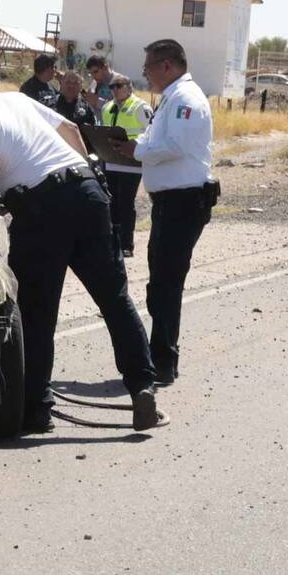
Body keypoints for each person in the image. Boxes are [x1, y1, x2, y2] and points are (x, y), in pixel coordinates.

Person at [0, 89, 165, 433]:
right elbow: (72, 132)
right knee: (114, 298)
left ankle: (36, 410)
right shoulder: (12, 99)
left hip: (42, 208)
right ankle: (142, 390)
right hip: (88, 194)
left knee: (37, 312)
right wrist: (86, 181)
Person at [112, 39, 214, 386]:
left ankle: (164, 362)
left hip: (185, 203)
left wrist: (136, 150)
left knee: (167, 284)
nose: (147, 75)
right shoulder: (172, 98)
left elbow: (176, 146)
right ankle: (160, 357)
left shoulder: (186, 99)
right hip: (171, 203)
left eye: (149, 68)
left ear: (167, 65)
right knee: (161, 283)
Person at [100, 75, 152, 257]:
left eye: (118, 86)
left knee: (126, 202)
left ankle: (126, 244)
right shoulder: (107, 108)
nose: (114, 90)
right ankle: (113, 241)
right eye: (112, 86)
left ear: (129, 88)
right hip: (111, 161)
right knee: (111, 202)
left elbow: (151, 132)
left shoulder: (141, 107)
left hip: (131, 163)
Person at [84, 54, 116, 120]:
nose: (93, 76)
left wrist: (98, 102)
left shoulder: (119, 82)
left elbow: (122, 108)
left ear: (105, 67)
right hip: (96, 125)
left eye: (95, 72)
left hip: (112, 127)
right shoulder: (95, 82)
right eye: (91, 74)